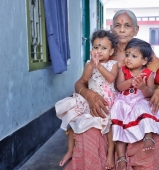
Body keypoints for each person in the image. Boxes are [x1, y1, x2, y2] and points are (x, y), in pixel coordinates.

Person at [71, 9, 159, 170]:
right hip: (106, 112)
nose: (122, 30)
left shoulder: (146, 56)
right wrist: (89, 94)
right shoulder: (103, 53)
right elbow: (80, 83)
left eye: (127, 26)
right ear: (112, 29)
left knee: (152, 143)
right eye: (117, 25)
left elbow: (153, 82)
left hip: (136, 111)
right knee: (88, 136)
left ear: (136, 29)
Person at [55, 30, 118, 169]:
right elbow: (84, 79)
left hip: (106, 100)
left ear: (111, 51)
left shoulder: (113, 64)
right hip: (89, 100)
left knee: (110, 127)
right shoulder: (90, 63)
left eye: (104, 48)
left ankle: (110, 154)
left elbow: (111, 78)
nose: (99, 51)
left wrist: (99, 66)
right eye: (96, 47)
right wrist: (91, 65)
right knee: (75, 121)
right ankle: (70, 151)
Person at [110, 38, 159, 170]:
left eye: (134, 56)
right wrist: (131, 82)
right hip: (124, 101)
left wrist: (142, 86)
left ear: (144, 60)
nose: (128, 58)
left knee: (145, 108)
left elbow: (149, 93)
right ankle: (121, 157)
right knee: (118, 124)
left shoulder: (148, 74)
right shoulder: (122, 70)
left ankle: (148, 135)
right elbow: (120, 86)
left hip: (140, 99)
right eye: (127, 55)